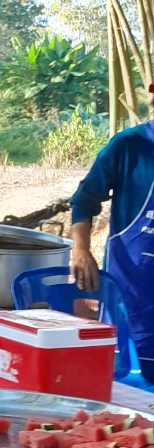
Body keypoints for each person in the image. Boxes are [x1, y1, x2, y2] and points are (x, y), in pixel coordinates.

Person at [69, 83, 154, 384]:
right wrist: (80, 249)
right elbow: (84, 199)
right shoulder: (129, 146)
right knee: (127, 397)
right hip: (132, 300)